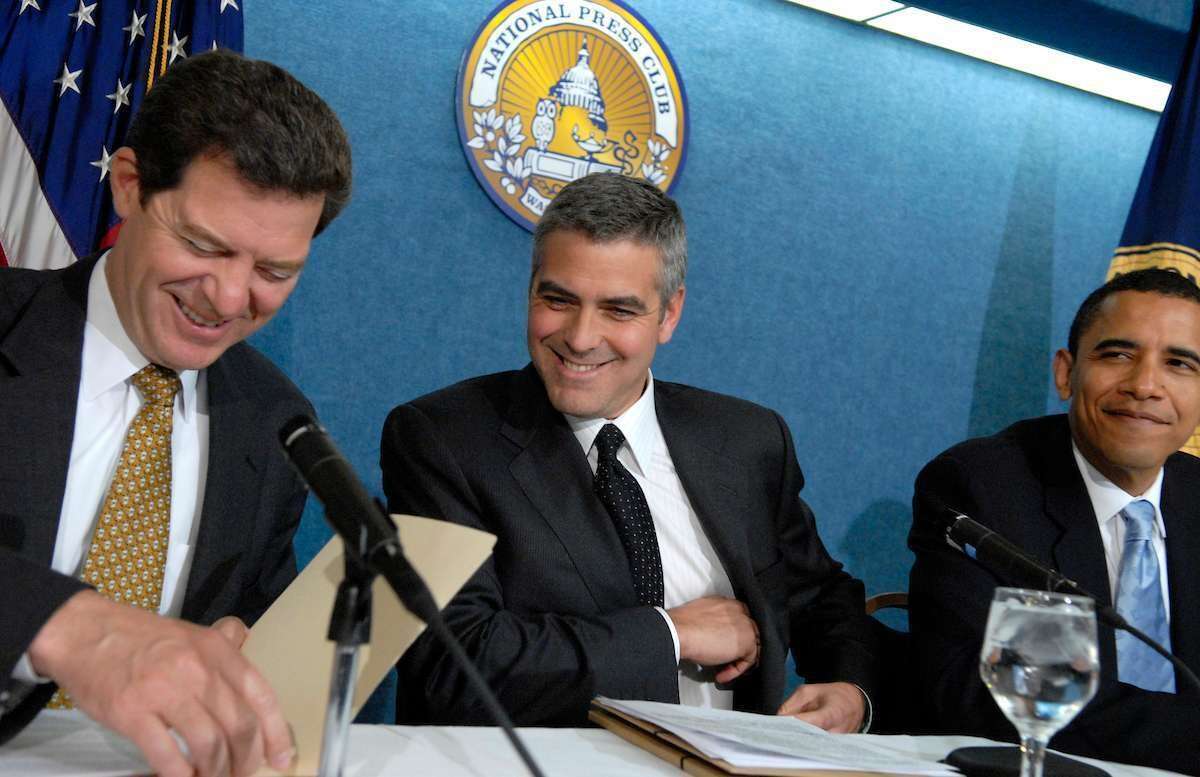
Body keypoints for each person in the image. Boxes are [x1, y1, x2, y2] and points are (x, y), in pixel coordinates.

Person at [381, 173, 878, 729]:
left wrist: (850, 687)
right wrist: (674, 634)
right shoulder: (444, 439)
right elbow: (454, 664)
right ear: (530, 290)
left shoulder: (748, 439)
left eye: (619, 311)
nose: (581, 336)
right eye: (558, 299)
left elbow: (819, 594)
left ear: (669, 315)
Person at [0, 50, 352, 777]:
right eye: (202, 244)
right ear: (129, 186)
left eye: (273, 271)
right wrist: (67, 624)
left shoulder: (273, 417)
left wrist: (243, 646)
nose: (228, 298)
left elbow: (252, 612)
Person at [909, 268, 1200, 774]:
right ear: (1066, 373)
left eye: (1179, 364)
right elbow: (974, 691)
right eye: (1118, 355)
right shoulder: (983, 486)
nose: (1145, 385)